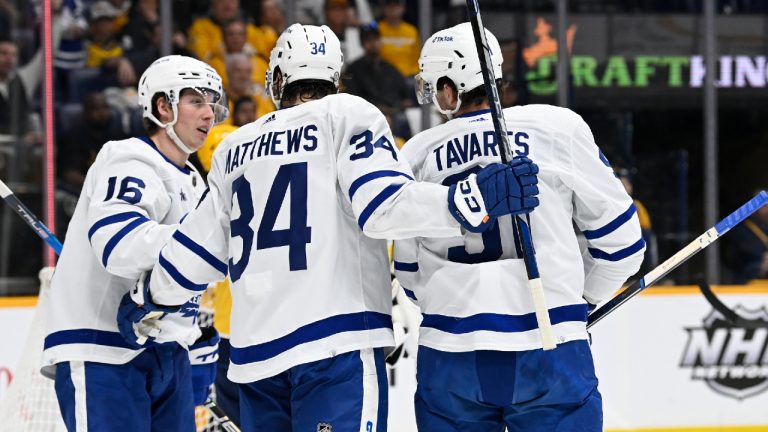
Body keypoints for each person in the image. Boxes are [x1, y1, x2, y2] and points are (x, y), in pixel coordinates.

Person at [117, 24, 539, 432]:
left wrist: (150, 297)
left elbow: (196, 252)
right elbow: (385, 207)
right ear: (335, 79)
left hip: (255, 360)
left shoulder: (233, 148)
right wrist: (471, 197)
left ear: (278, 78)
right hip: (335, 346)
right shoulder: (347, 113)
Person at [393, 23, 645, 431]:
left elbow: (408, 275)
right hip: (549, 345)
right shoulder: (557, 128)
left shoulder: (418, 153)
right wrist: (582, 302)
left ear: (450, 87)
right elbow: (624, 247)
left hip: (450, 355)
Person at [41, 55, 229, 431]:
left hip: (165, 353)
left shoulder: (195, 181)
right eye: (197, 101)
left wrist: (192, 333)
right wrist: (193, 254)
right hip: (101, 349)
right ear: (163, 105)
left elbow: (190, 269)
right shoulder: (128, 158)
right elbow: (119, 245)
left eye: (212, 103)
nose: (209, 114)